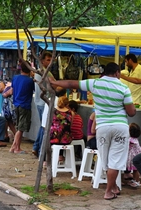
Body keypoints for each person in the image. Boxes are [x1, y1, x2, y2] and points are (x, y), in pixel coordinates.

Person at [51, 62, 136, 200]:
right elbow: (131, 112)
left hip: (102, 127)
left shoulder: (95, 83)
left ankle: (113, 187)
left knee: (106, 158)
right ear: (116, 73)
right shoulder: (124, 88)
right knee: (115, 160)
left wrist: (55, 82)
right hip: (120, 127)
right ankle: (108, 191)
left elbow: (72, 84)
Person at [32, 52, 56, 157]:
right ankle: (39, 148)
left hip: (40, 101)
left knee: (43, 126)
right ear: (42, 61)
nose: (50, 62)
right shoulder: (43, 73)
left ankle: (36, 147)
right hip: (43, 102)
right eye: (48, 60)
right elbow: (54, 83)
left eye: (51, 60)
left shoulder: (42, 72)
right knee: (44, 127)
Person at [8, 62, 35, 154]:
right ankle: (14, 147)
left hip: (16, 104)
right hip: (25, 105)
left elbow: (12, 89)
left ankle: (17, 147)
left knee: (19, 126)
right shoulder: (30, 81)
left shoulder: (15, 78)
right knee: (21, 128)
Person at [124, 123, 141, 188]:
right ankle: (134, 180)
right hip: (135, 155)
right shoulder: (135, 139)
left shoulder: (130, 140)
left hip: (133, 156)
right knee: (135, 169)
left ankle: (136, 181)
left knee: (135, 170)